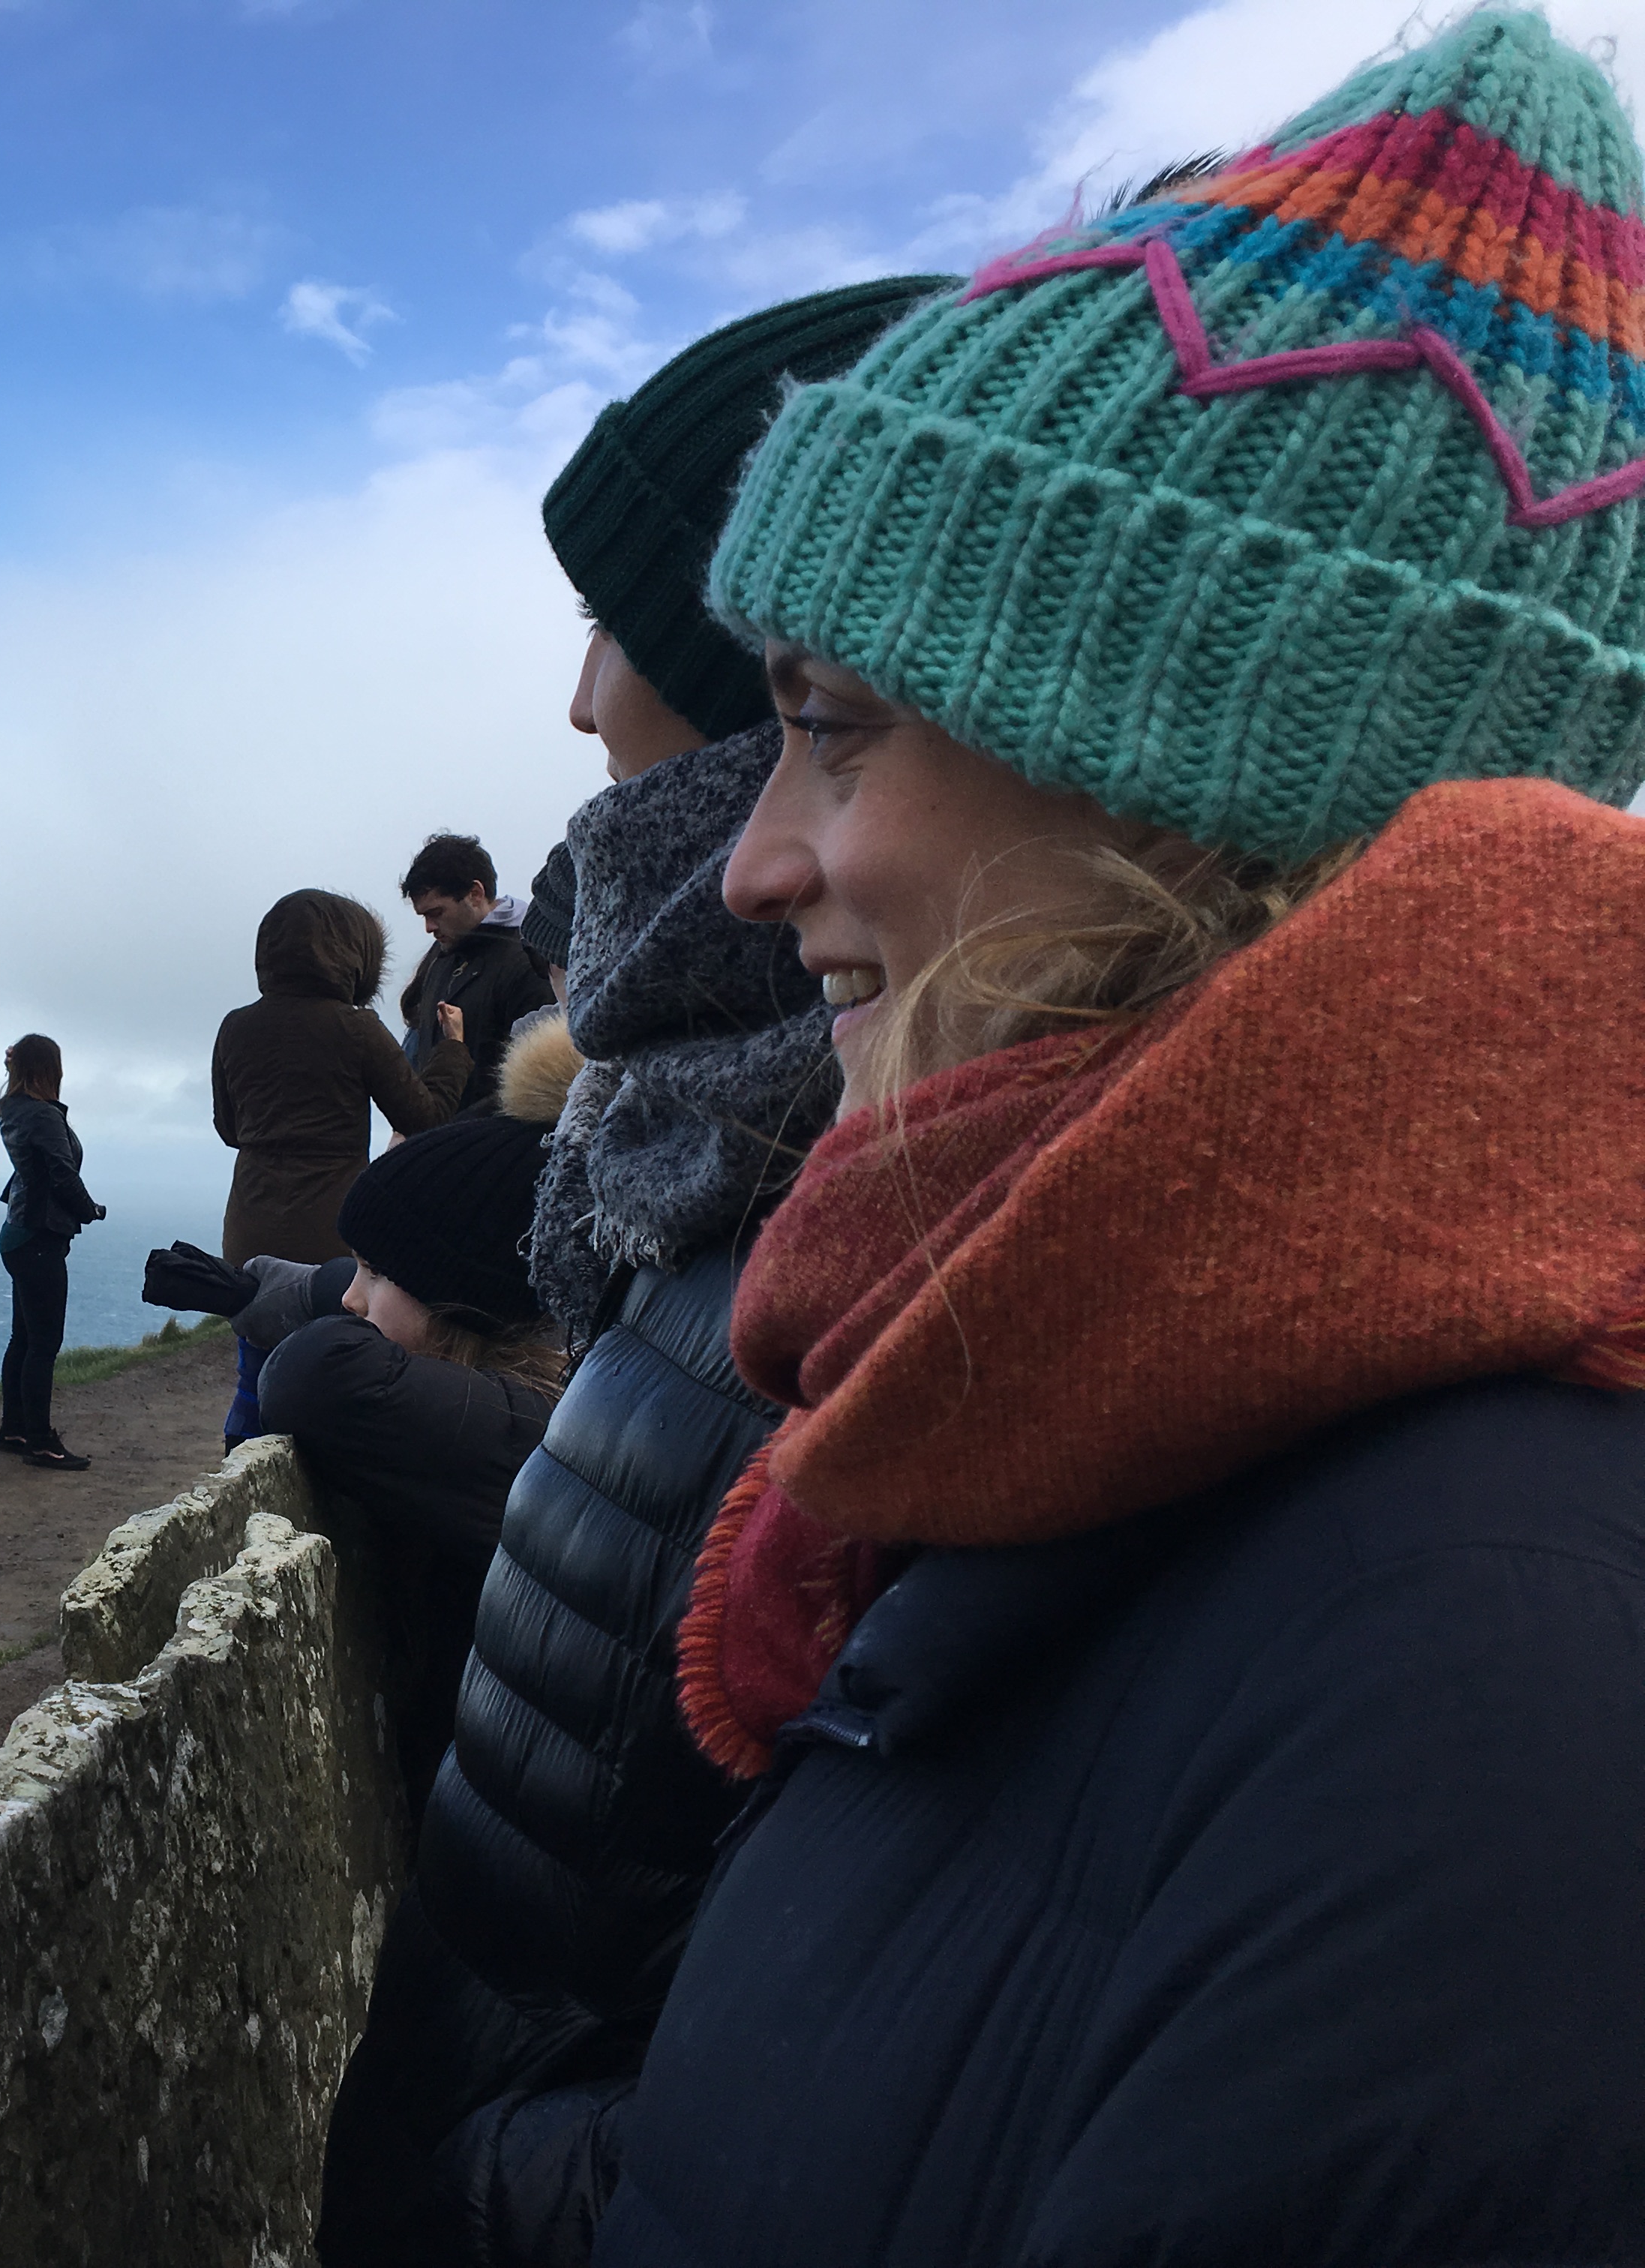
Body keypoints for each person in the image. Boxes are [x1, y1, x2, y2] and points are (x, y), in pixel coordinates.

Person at [587, 18, 1645, 2263]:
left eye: (835, 729)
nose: (752, 868)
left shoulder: (1488, 1683)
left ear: (1191, 793)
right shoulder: (1086, 1390)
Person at [314, 274, 951, 2268]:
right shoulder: (692, 1135)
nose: (576, 701)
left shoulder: (816, 1185)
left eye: (821, 719)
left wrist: (487, 2186)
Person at [150, 1084, 569, 1810]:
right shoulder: (524, 1382)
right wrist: (265, 1290)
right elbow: (356, 1293)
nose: (352, 1298)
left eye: (377, 1273)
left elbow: (316, 1375)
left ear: (462, 1302)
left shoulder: (521, 1430)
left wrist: (297, 1301)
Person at [212, 890, 473, 1442]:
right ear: (349, 953)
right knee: (325, 1378)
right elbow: (423, 1117)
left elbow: (229, 1129)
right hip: (327, 1233)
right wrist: (453, 1050)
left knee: (254, 1373)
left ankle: (238, 1481)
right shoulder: (355, 1028)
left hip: (249, 1225)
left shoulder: (235, 1027)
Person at [0, 1033, 104, 1472]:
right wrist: (89, 1209)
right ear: (49, 1070)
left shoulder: (14, 1109)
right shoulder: (43, 1116)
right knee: (43, 1344)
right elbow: (61, 1172)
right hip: (40, 1237)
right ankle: (40, 1441)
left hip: (18, 1234)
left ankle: (15, 1429)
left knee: (23, 1339)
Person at [395, 835, 555, 1110]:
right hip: (438, 1137)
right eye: (424, 916)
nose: (429, 928)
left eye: (436, 913)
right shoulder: (440, 957)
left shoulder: (532, 962)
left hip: (495, 1142)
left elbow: (540, 1077)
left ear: (475, 894)